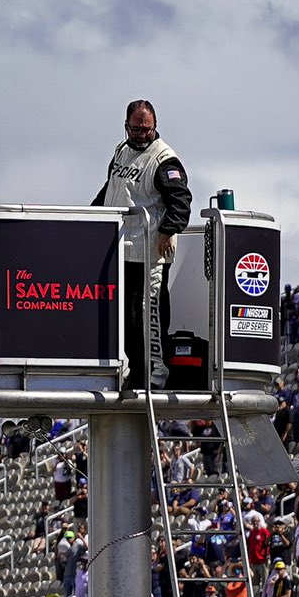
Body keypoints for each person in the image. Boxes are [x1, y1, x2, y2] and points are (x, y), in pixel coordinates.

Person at [91, 99, 191, 390]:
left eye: (147, 129)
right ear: (126, 127)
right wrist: (91, 216)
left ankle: (156, 376)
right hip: (122, 250)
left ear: (155, 126)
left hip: (150, 253)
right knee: (126, 319)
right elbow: (112, 189)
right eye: (137, 129)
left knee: (150, 315)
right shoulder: (121, 151)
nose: (142, 134)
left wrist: (167, 231)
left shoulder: (164, 160)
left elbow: (181, 203)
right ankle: (132, 373)